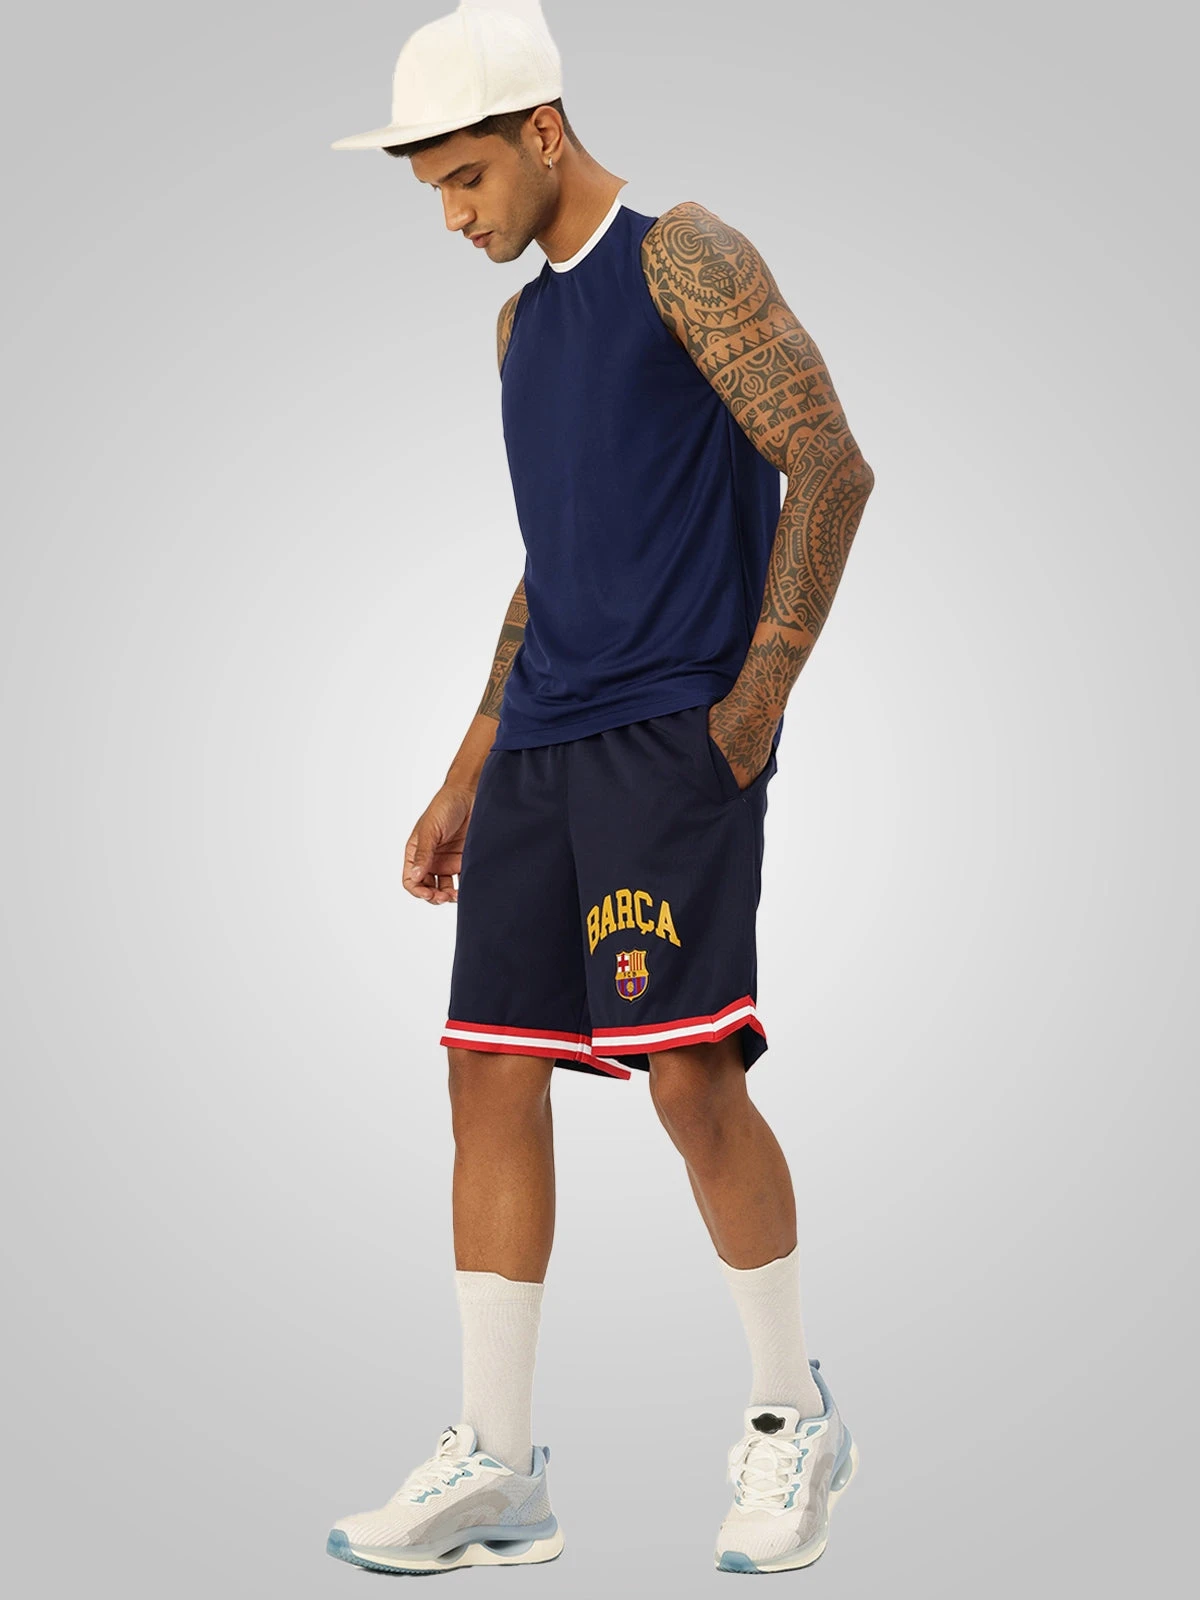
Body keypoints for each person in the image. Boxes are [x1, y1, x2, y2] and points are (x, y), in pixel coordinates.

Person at [325, 2, 873, 1576]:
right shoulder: (518, 330)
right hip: (543, 749)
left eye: (466, 178)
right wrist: (463, 770)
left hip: (670, 740)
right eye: (433, 189)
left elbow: (828, 462)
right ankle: (499, 1465)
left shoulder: (683, 256)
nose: (453, 216)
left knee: (690, 1077)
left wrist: (753, 704)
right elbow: (550, 566)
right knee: (488, 1077)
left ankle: (790, 1419)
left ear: (544, 132)